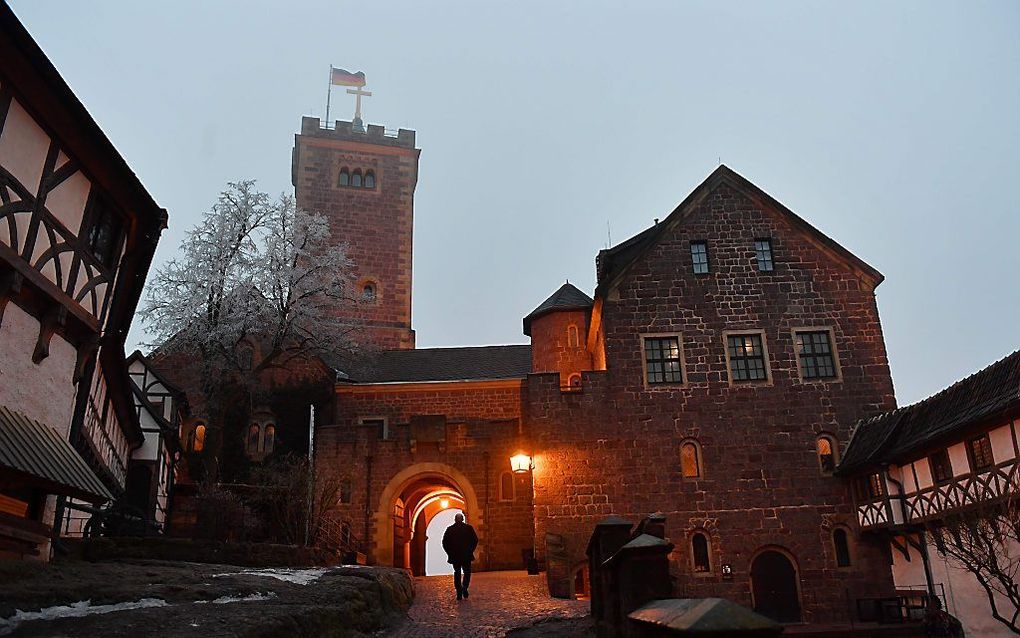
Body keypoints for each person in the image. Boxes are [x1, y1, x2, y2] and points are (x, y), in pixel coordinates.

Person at [442, 512, 478, 600]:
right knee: (467, 572)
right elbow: (475, 540)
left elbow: (444, 543)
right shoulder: (468, 528)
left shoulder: (450, 529)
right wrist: (470, 550)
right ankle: (464, 587)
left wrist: (450, 553)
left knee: (457, 573)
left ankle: (459, 590)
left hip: (455, 556)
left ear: (455, 519)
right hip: (466, 555)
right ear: (462, 519)